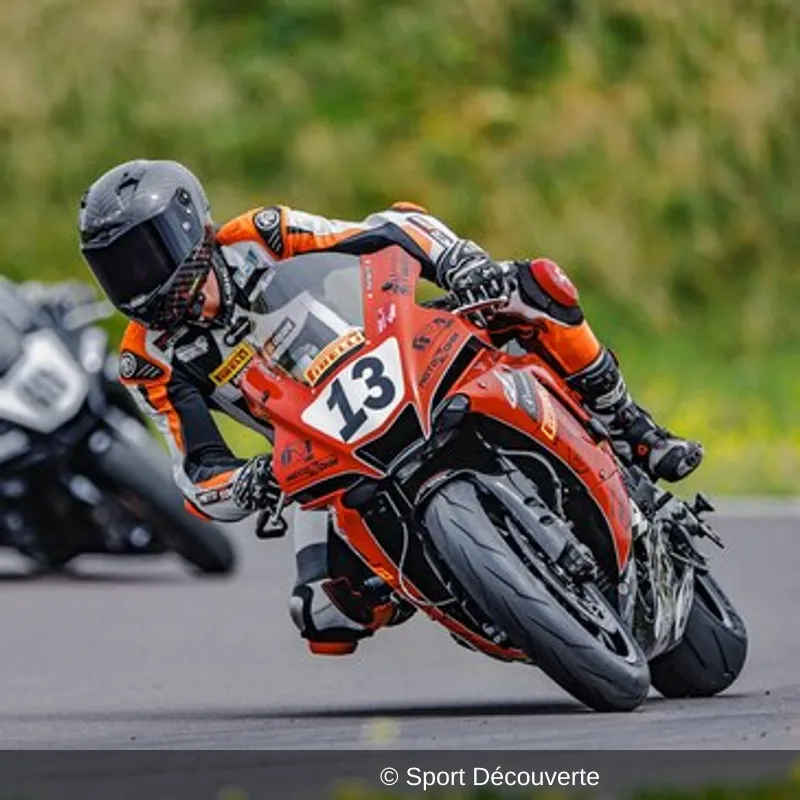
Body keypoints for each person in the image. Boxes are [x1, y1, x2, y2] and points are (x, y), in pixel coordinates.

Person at [78, 159, 702, 654]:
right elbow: (194, 472)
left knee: (534, 284)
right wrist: (249, 483)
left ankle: (630, 424)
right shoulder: (147, 359)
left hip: (399, 351)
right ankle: (443, 581)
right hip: (322, 451)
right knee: (323, 616)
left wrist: (456, 261)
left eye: (143, 256)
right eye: (115, 271)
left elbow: (389, 227)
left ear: (189, 227)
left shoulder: (262, 234)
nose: (137, 284)